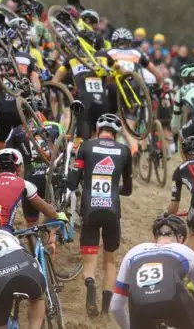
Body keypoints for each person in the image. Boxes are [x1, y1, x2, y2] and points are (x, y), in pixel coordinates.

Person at [68, 113, 133, 318]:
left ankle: (90, 286)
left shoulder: (85, 147)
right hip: (112, 211)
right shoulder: (124, 150)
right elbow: (128, 189)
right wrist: (115, 188)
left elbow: (71, 183)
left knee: (90, 262)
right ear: (116, 133)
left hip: (90, 209)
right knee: (110, 261)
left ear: (98, 130)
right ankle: (105, 309)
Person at [110, 213, 194, 329]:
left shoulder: (133, 252)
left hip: (140, 308)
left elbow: (116, 306)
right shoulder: (185, 251)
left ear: (155, 238)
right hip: (174, 304)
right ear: (180, 238)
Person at [0, 148, 63, 232]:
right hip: (3, 232)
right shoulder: (24, 184)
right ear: (18, 167)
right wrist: (59, 215)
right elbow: (47, 211)